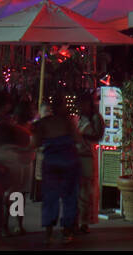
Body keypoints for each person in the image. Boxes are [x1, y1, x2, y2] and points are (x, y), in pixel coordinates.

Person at [32, 100, 81, 245]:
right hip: (70, 161)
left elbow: (35, 143)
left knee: (50, 197)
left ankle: (48, 233)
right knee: (69, 197)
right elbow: (77, 139)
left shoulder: (43, 123)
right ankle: (67, 231)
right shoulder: (69, 122)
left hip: (51, 162)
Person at [76, 95, 106, 235]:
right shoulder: (80, 118)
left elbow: (98, 136)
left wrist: (82, 136)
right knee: (78, 191)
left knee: (86, 191)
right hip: (77, 155)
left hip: (87, 156)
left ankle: (84, 221)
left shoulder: (95, 118)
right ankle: (77, 220)